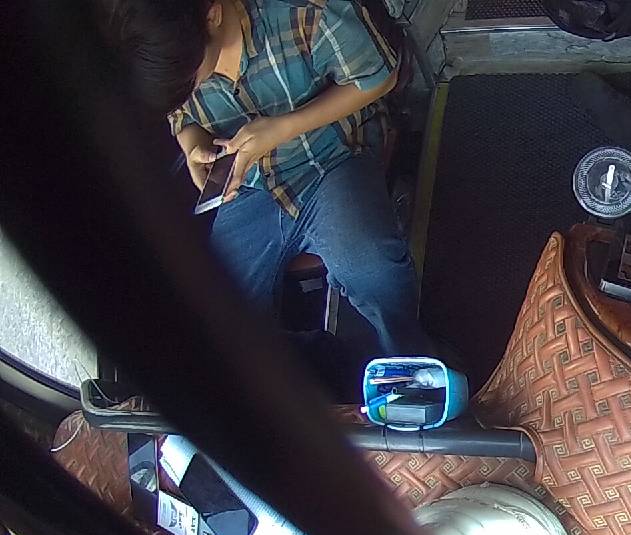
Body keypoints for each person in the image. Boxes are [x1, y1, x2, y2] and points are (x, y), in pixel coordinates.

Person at [98, 0, 428, 356]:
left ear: (212, 15)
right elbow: (181, 116)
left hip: (334, 155)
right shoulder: (168, 59)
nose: (191, 89)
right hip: (252, 184)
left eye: (191, 79)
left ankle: (411, 360)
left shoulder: (303, 12)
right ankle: (322, 365)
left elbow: (379, 77)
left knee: (374, 272)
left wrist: (283, 127)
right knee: (212, 315)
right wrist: (193, 144)